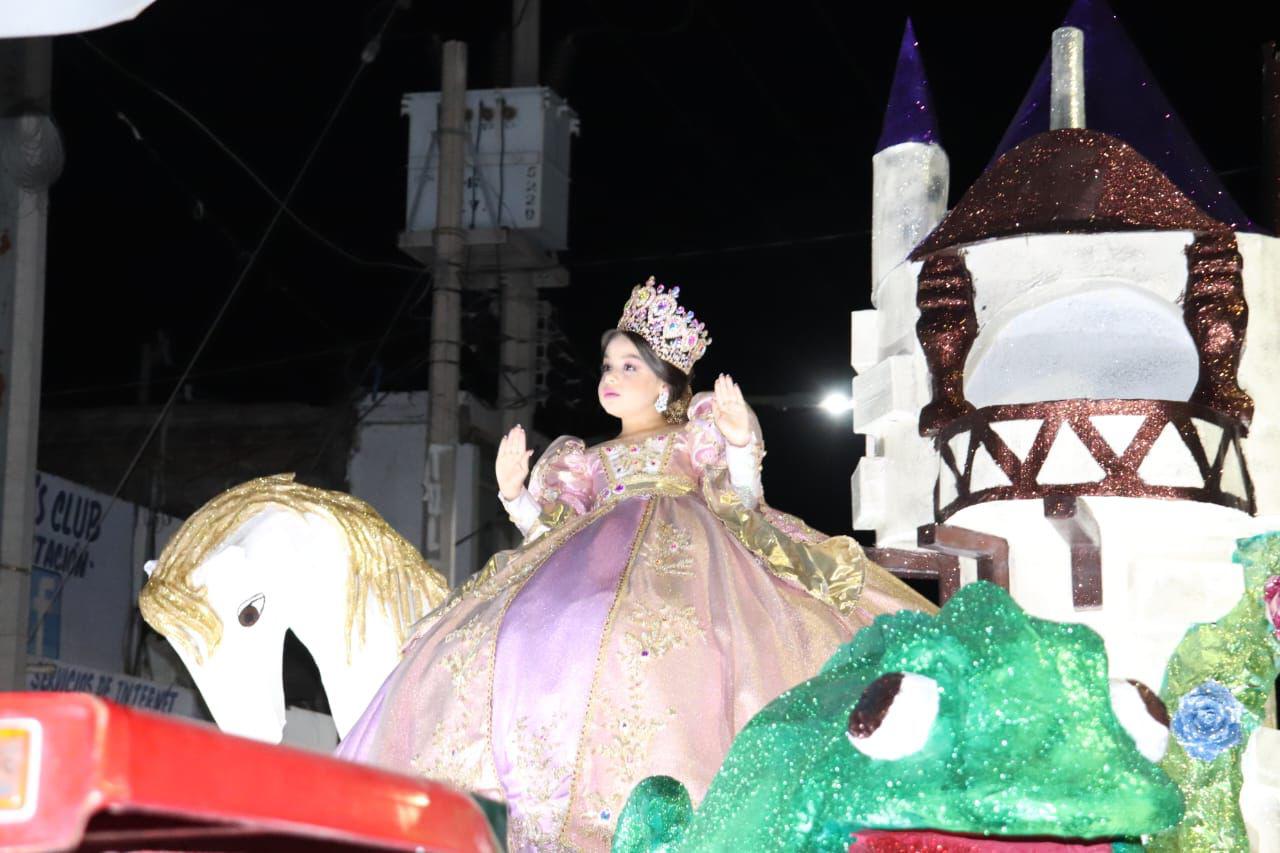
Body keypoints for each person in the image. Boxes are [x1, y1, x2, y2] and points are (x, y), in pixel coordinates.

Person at [337, 277, 935, 851]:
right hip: (587, 561)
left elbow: (744, 501)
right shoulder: (585, 460)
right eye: (608, 366)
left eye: (631, 366)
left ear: (665, 386)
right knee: (521, 630)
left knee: (673, 641)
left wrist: (738, 443)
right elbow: (549, 534)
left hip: (684, 554)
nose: (613, 377)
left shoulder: (688, 440)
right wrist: (515, 493)